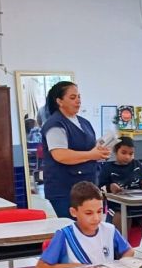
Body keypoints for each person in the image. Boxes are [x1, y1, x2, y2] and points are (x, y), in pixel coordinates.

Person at [41, 81, 109, 218]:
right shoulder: (55, 124)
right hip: (65, 188)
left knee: (89, 224)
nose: (78, 101)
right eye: (72, 97)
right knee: (73, 225)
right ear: (59, 101)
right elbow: (60, 155)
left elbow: (90, 148)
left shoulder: (84, 122)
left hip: (88, 184)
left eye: (79, 97)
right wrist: (91, 155)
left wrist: (100, 152)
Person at [99, 137, 142, 246]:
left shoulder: (137, 165)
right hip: (118, 208)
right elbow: (100, 188)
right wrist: (110, 187)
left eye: (131, 154)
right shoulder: (107, 167)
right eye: (123, 153)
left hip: (139, 207)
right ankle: (120, 249)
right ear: (116, 151)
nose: (127, 157)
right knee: (122, 217)